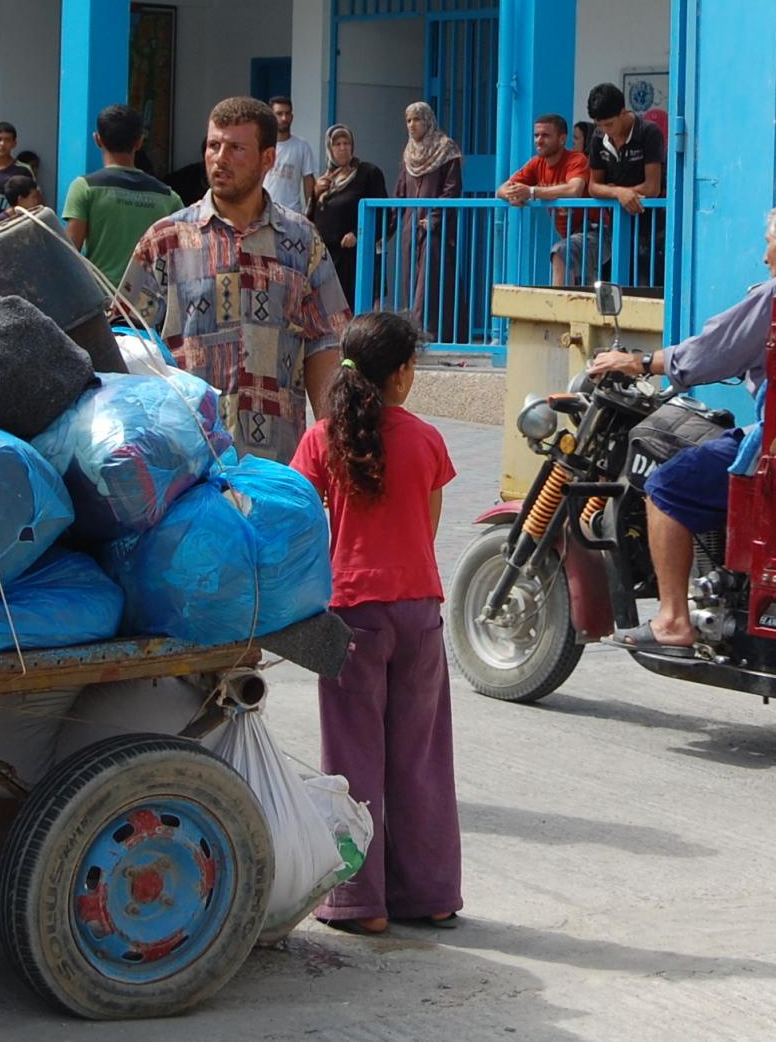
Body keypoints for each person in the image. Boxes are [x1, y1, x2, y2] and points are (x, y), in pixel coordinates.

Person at [585, 198, 776, 649]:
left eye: (768, 245)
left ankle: (671, 621)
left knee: (665, 486)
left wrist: (639, 362)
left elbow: (712, 350)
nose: (764, 258)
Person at [288, 311, 461, 933]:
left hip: (351, 612)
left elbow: (301, 527)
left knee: (352, 757)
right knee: (420, 759)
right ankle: (432, 893)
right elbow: (429, 528)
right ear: (405, 373)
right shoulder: (427, 440)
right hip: (417, 609)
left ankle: (360, 903)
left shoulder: (321, 441)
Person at [121, 97, 351, 463]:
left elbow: (326, 343)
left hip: (276, 465)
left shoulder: (302, 241)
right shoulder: (166, 239)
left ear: (268, 160)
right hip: (186, 468)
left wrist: (330, 447)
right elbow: (126, 342)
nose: (220, 157)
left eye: (235, 148)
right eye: (214, 145)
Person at [64, 104, 183, 288]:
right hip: (151, 307)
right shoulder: (168, 196)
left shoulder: (85, 187)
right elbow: (182, 255)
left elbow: (69, 253)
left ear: (97, 139)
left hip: (102, 304)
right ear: (139, 142)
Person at [392, 103, 465, 337]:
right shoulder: (409, 152)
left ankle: (427, 332)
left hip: (435, 228)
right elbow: (401, 189)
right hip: (410, 226)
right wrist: (392, 223)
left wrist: (434, 217)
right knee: (410, 279)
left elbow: (452, 188)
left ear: (428, 121)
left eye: (417, 120)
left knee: (432, 279)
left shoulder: (446, 148)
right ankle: (413, 330)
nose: (412, 125)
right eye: (408, 121)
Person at [582, 82, 665, 286]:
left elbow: (652, 187)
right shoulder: (598, 136)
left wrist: (612, 191)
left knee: (647, 289)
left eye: (609, 124)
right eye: (599, 124)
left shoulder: (648, 132)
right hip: (618, 229)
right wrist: (619, 193)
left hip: (653, 231)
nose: (605, 130)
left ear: (623, 112)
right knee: (613, 292)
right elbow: (593, 187)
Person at [498, 113, 593, 285]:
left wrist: (532, 192)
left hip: (596, 230)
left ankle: (559, 311)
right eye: (536, 135)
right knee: (580, 282)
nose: (539, 140)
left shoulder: (576, 159)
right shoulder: (537, 163)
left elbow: (574, 189)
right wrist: (512, 196)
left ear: (562, 139)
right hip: (571, 235)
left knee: (560, 252)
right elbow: (501, 189)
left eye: (545, 135)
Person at [311, 124, 389, 302]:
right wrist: (315, 193)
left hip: (355, 255)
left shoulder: (368, 173)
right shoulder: (326, 179)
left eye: (346, 143)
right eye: (337, 144)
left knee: (355, 306)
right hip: (328, 257)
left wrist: (358, 233)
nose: (342, 148)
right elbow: (311, 216)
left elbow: (382, 214)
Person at [266, 96, 319, 218]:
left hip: (291, 215)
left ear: (292, 117)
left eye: (287, 113)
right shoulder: (263, 145)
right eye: (279, 114)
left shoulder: (302, 146)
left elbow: (308, 182)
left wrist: (310, 215)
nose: (284, 118)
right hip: (266, 213)